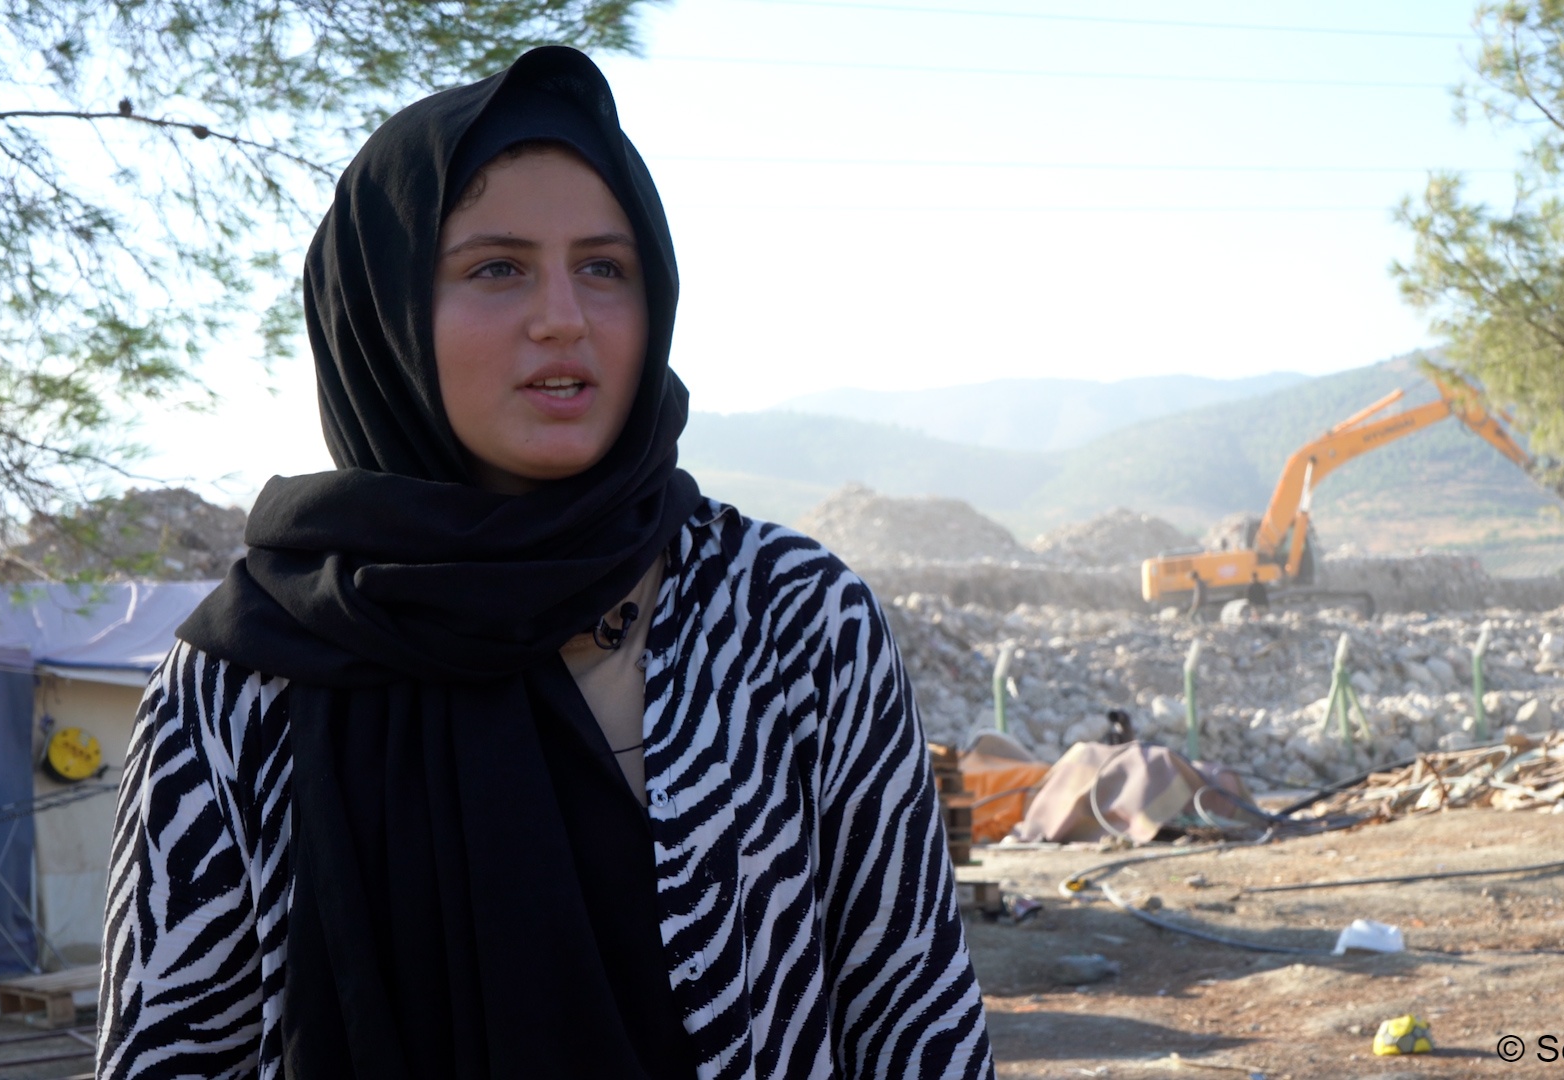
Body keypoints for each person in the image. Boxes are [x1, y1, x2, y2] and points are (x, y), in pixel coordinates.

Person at [97, 46, 994, 1079]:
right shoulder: (248, 676)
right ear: (382, 312)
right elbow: (168, 1056)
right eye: (497, 267)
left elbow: (914, 1021)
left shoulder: (793, 624)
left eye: (605, 268)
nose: (563, 316)